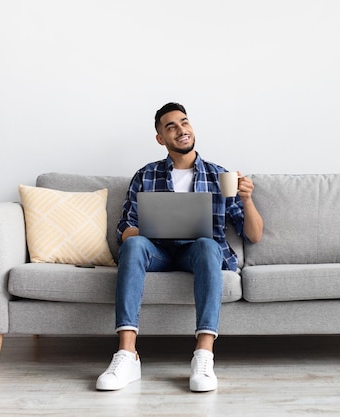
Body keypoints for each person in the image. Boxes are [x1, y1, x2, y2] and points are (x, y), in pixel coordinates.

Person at [96, 102, 264, 392]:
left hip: (196, 254)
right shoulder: (146, 175)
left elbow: (254, 235)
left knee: (208, 245)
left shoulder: (218, 175)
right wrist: (149, 230)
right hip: (157, 252)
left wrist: (246, 200)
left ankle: (204, 355)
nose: (180, 129)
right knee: (134, 245)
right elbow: (124, 228)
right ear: (161, 138)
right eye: (170, 126)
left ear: (192, 128)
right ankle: (127, 355)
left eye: (184, 122)